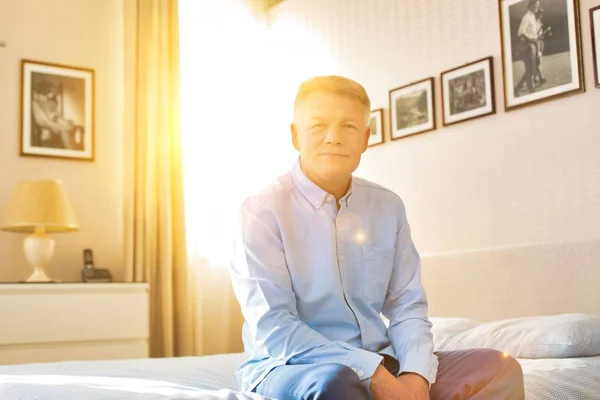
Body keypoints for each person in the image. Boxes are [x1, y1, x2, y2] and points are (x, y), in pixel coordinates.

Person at [228, 75, 525, 400]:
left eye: (349, 127)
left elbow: (407, 306)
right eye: (318, 126)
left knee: (499, 367)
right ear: (295, 135)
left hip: (385, 362)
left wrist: (415, 377)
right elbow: (275, 327)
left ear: (365, 138)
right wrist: (375, 376)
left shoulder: (388, 206)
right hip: (290, 366)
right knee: (337, 384)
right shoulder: (259, 212)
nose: (334, 138)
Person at [515, 0, 541, 94]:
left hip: (534, 44)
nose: (537, 7)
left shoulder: (533, 16)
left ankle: (518, 87)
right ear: (531, 5)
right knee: (530, 69)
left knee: (533, 68)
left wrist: (535, 39)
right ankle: (531, 90)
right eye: (536, 5)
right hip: (528, 46)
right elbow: (520, 32)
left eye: (538, 6)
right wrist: (531, 40)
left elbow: (532, 31)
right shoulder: (526, 17)